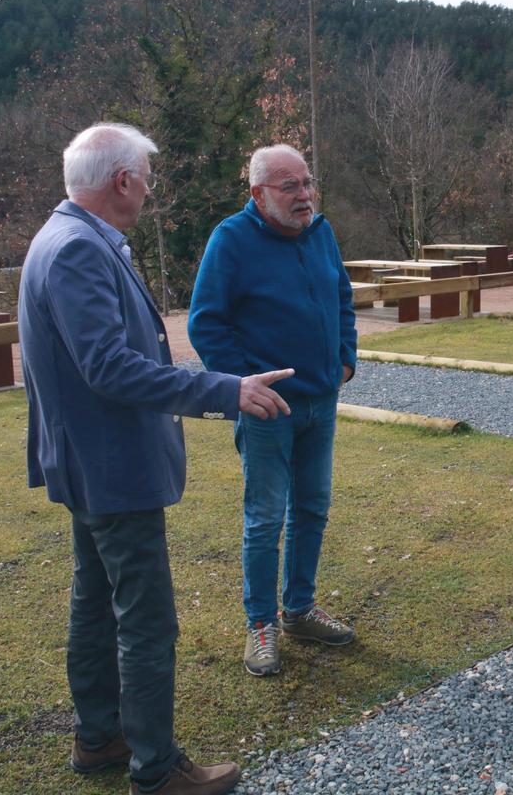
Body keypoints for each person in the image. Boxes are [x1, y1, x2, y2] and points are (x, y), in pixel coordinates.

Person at [19, 122, 294, 795]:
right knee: (144, 620)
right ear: (122, 181)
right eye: (145, 179)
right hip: (111, 467)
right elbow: (110, 368)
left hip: (89, 464)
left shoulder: (63, 238)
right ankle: (156, 768)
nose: (148, 190)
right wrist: (226, 391)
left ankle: (100, 736)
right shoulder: (78, 249)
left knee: (95, 603)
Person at [188, 144, 357, 677]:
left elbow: (343, 299)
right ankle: (260, 623)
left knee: (312, 508)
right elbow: (206, 323)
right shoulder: (231, 240)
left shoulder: (321, 231)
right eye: (290, 187)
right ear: (259, 194)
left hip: (321, 400)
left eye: (307, 183)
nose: (304, 195)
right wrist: (242, 385)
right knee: (264, 519)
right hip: (268, 408)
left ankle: (299, 611)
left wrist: (345, 360)